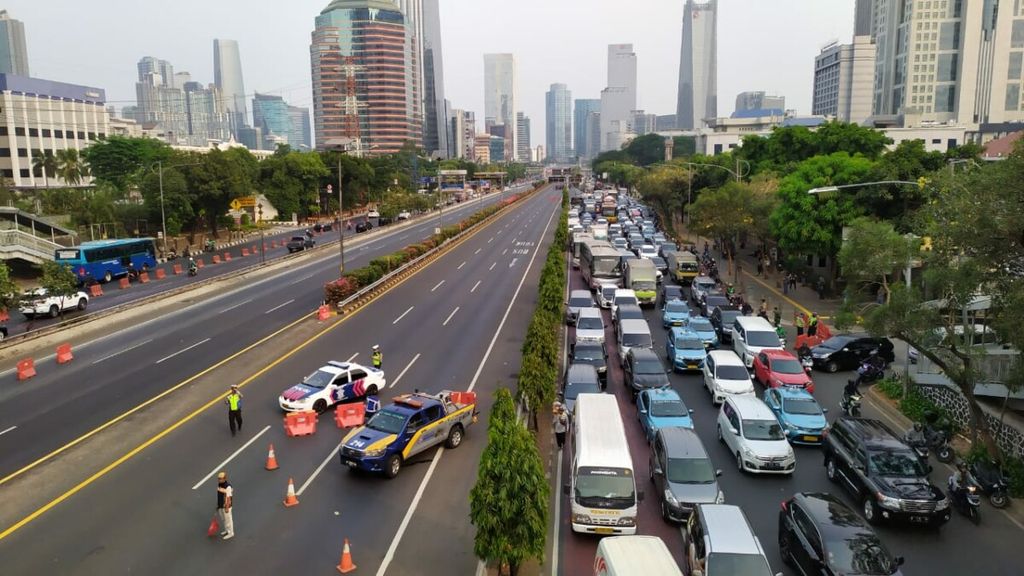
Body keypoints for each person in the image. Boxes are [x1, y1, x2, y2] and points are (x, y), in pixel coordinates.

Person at [216, 471, 234, 540]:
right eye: (218, 478)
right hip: (221, 505)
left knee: (228, 520)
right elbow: (219, 495)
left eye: (221, 478)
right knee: (223, 519)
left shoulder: (228, 487)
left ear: (224, 478)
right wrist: (218, 505)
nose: (219, 480)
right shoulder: (219, 484)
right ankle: (227, 530)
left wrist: (227, 507)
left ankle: (231, 533)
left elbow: (229, 498)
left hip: (226, 506)